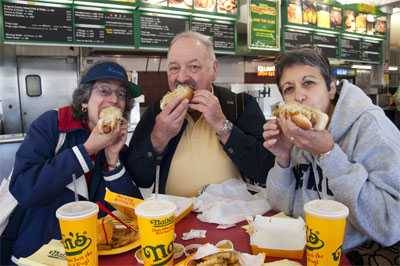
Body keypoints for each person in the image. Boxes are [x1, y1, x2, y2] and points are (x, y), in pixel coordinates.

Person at [263, 48, 400, 251]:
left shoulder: (372, 128)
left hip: (355, 255)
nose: (299, 96)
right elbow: (280, 207)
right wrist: (283, 158)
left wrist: (329, 153)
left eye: (308, 83)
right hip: (302, 249)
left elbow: (390, 225)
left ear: (331, 88)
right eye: (288, 89)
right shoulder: (300, 131)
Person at [5, 61, 143, 261]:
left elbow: (132, 212)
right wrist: (87, 151)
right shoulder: (53, 125)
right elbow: (24, 188)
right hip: (38, 254)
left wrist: (113, 161)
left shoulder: (115, 143)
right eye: (104, 91)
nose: (114, 99)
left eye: (121, 94)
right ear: (85, 99)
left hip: (95, 253)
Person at [127, 31, 274, 197]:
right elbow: (138, 178)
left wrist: (222, 126)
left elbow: (266, 172)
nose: (182, 77)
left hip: (233, 220)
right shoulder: (157, 112)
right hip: (175, 220)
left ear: (214, 70)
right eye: (174, 68)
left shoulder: (241, 105)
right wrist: (158, 138)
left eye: (194, 67)